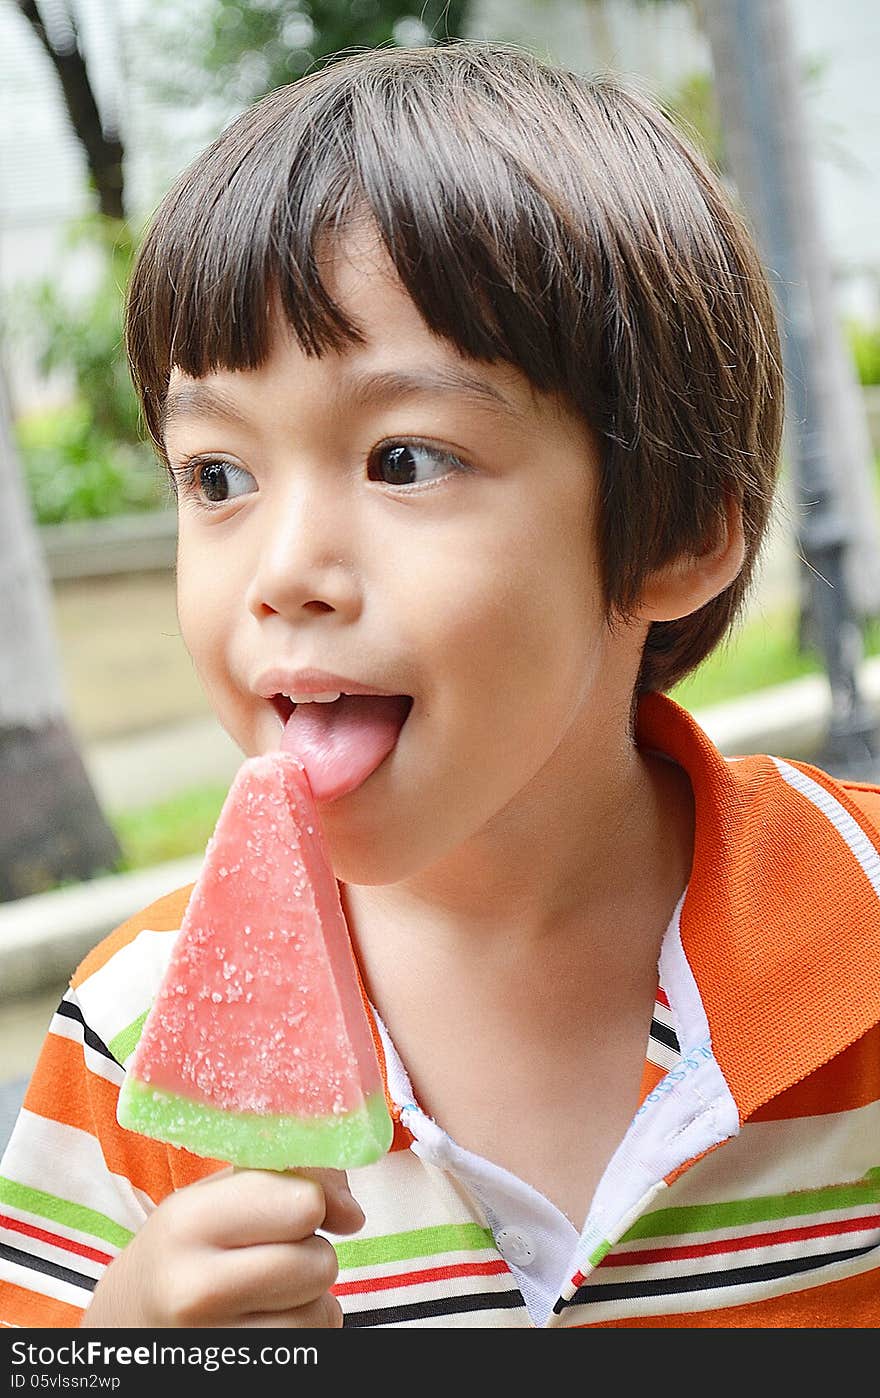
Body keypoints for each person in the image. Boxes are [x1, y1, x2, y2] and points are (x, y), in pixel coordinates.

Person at [2, 39, 879, 1332]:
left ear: (682, 530)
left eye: (406, 458)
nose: (286, 570)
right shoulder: (131, 1041)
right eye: (218, 478)